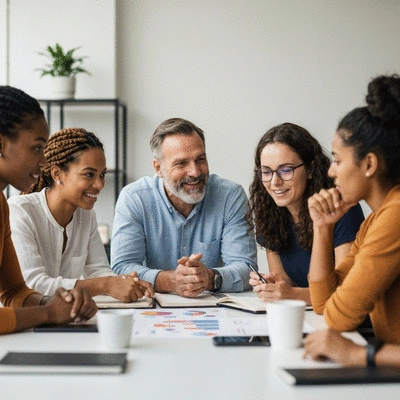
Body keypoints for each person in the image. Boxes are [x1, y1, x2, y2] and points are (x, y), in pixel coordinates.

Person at [304, 74, 400, 366]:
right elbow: (323, 303)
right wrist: (323, 228)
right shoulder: (376, 219)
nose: (331, 172)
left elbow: (340, 316)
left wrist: (357, 353)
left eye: (337, 159)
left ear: (369, 164)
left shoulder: (395, 215)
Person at [111, 118, 257, 297]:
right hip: (155, 308)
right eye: (181, 163)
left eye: (200, 159)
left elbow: (247, 268)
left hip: (215, 309)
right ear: (158, 168)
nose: (195, 172)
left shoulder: (230, 196)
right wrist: (171, 281)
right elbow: (121, 267)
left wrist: (209, 278)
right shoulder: (135, 198)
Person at [8, 127, 154, 302]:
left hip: (63, 318)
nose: (100, 184)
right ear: (57, 173)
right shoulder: (20, 211)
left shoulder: (86, 215)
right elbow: (32, 285)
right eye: (89, 174)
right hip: (20, 322)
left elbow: (99, 269)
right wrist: (107, 285)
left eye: (102, 175)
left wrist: (124, 283)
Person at [0, 85, 96, 334]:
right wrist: (47, 313)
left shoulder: (1, 206)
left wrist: (57, 302)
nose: (44, 161)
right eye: (36, 148)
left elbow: (14, 292)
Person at [247, 123, 364, 304]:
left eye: (286, 170)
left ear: (310, 170)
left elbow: (345, 293)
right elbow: (286, 281)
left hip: (348, 322)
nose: (274, 182)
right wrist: (274, 286)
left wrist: (291, 294)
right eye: (266, 172)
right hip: (307, 316)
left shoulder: (340, 209)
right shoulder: (269, 213)